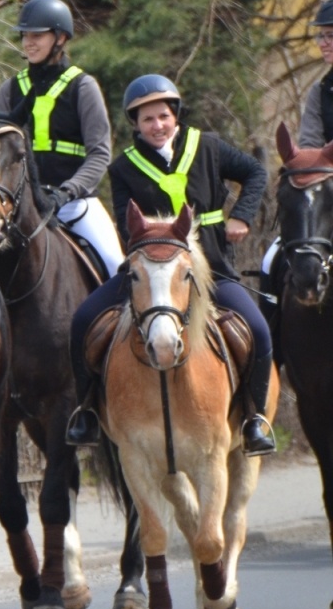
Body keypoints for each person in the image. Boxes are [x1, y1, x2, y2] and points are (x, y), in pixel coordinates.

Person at [64, 75, 275, 455]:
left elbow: (256, 173)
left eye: (163, 116)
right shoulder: (122, 168)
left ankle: (255, 418)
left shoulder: (208, 146)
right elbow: (126, 228)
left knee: (258, 331)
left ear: (175, 115)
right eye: (147, 119)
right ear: (136, 125)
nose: (157, 125)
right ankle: (87, 413)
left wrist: (242, 215)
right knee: (82, 321)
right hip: (150, 277)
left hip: (213, 271)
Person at [0, 0, 122, 276]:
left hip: (74, 205)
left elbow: (99, 154)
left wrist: (67, 192)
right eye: (25, 36)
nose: (28, 43)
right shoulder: (10, 90)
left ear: (60, 38)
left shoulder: (84, 87)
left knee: (116, 266)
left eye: (37, 36)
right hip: (21, 206)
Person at [259, 0, 333, 340]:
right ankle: (270, 350)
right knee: (271, 259)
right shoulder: (320, 91)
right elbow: (311, 147)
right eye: (321, 36)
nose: (323, 43)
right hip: (327, 195)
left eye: (331, 36)